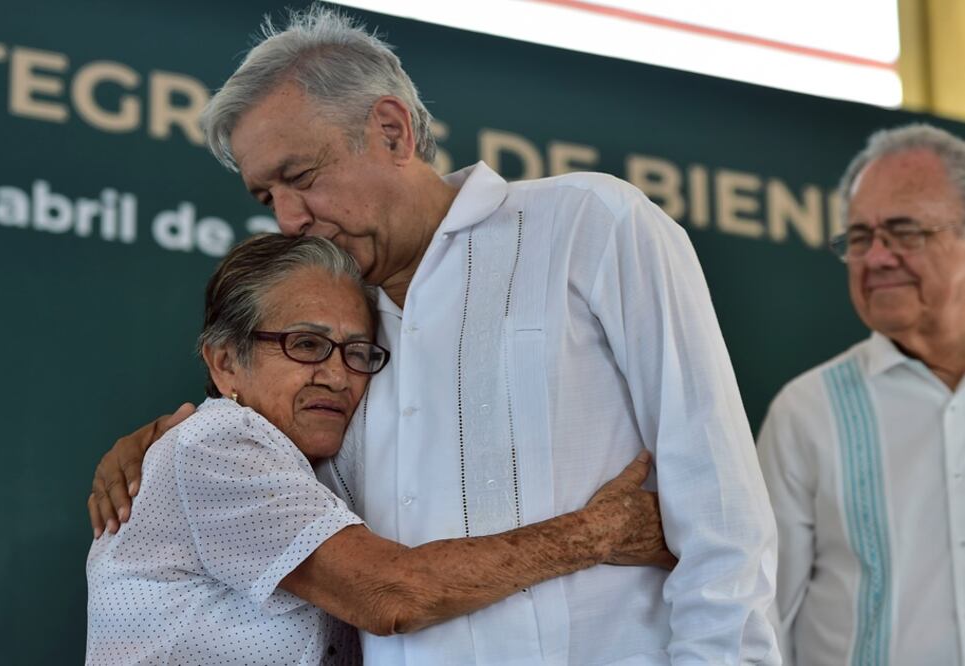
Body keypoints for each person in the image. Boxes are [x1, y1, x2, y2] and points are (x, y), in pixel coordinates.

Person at [90, 6, 780, 664]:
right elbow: (248, 457)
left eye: (300, 177)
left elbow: (718, 505)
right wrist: (154, 448)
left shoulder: (588, 225)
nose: (288, 217)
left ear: (391, 131)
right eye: (267, 196)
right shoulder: (329, 326)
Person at [87, 233, 671, 665]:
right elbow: (393, 594)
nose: (338, 377)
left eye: (358, 353)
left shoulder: (308, 460)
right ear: (224, 360)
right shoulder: (215, 446)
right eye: (307, 344)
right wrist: (603, 533)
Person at [757, 123, 965, 665]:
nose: (875, 258)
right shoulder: (807, 412)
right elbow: (759, 618)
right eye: (858, 238)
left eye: (903, 232)